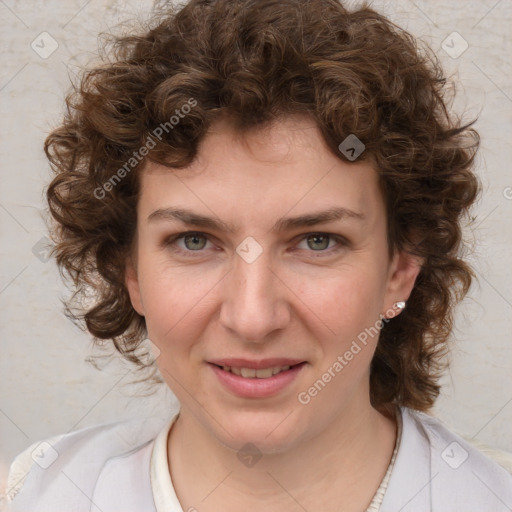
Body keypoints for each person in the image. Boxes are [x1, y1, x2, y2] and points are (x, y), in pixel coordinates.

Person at [5, 0, 512, 510]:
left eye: (318, 241)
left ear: (400, 268)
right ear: (130, 271)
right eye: (194, 241)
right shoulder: (38, 493)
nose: (252, 319)